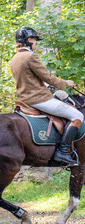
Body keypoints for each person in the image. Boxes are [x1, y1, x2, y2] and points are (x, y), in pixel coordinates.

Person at [10, 26, 83, 167]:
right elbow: (47, 77)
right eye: (34, 40)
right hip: (39, 99)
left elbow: (31, 78)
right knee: (77, 115)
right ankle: (63, 151)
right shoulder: (30, 56)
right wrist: (65, 83)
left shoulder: (15, 58)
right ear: (28, 40)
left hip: (24, 99)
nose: (36, 43)